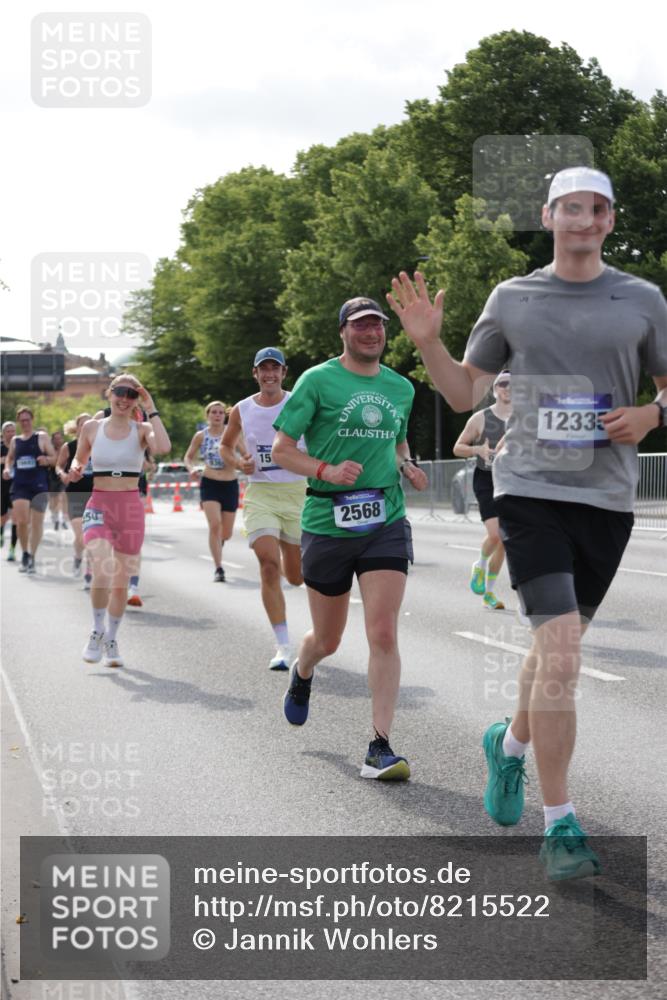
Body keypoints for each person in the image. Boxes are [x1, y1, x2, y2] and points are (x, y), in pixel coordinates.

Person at [387, 166, 667, 878]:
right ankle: (559, 824)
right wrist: (427, 342)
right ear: (547, 216)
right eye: (568, 207)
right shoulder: (511, 298)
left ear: (608, 219)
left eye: (595, 208)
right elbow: (461, 394)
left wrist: (651, 415)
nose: (582, 218)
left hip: (605, 501)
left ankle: (507, 747)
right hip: (528, 492)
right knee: (564, 655)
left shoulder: (642, 299)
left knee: (552, 655)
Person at [272, 296, 428, 780]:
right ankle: (303, 669)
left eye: (377, 325)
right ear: (343, 331)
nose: (371, 333)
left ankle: (379, 746)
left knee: (382, 631)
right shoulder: (317, 381)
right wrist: (327, 469)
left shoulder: (401, 387)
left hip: (385, 516)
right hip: (326, 519)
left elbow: (397, 438)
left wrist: (405, 464)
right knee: (329, 640)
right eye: (360, 325)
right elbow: (281, 449)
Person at [70, 375, 170, 668]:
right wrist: (76, 469)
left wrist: (151, 406)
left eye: (132, 394)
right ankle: (96, 629)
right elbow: (79, 459)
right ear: (109, 394)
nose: (125, 399)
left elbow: (163, 447)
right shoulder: (91, 427)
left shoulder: (143, 429)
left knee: (121, 582)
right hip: (99, 503)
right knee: (102, 567)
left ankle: (111, 638)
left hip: (129, 508)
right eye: (120, 392)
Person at [221, 347, 307, 670]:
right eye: (263, 369)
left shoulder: (299, 401)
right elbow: (226, 446)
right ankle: (283, 646)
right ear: (255, 373)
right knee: (269, 565)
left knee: (296, 577)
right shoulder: (241, 410)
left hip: (297, 493)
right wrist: (238, 462)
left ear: (284, 373)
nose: (270, 374)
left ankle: (294, 562)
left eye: (276, 368)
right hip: (261, 494)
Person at [453, 370, 512, 609]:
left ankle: (488, 593)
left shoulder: (525, 417)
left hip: (513, 481)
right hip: (487, 479)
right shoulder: (481, 418)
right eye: (503, 384)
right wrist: (477, 450)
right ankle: (480, 564)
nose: (508, 388)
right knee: (496, 534)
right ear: (495, 389)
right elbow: (458, 447)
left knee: (505, 541)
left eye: (514, 384)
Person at [184, 402, 240, 582]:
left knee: (227, 533)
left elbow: (247, 453)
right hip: (209, 482)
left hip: (230, 483)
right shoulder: (201, 435)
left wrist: (246, 462)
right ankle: (219, 568)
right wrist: (191, 468)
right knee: (215, 525)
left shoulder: (233, 434)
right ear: (207, 415)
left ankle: (220, 540)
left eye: (220, 413)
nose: (217, 415)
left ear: (225, 416)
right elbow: (188, 456)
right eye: (213, 412)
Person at [2, 407, 56, 573]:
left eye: (27, 419)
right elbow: (10, 458)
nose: (25, 423)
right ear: (19, 422)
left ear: (32, 420)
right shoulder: (15, 441)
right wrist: (7, 468)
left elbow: (55, 459)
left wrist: (46, 459)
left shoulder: (41, 437)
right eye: (22, 420)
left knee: (37, 523)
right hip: (20, 485)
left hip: (39, 485)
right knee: (22, 521)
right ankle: (25, 552)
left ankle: (32, 555)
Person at [55, 414, 94, 582]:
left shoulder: (99, 446)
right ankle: (78, 556)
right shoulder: (69, 447)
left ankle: (89, 571)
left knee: (92, 534)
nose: (85, 427)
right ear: (77, 428)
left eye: (89, 424)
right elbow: (58, 465)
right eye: (82, 425)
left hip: (96, 494)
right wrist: (62, 474)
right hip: (75, 494)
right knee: (80, 534)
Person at [1, 421, 18, 560]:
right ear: (3, 433)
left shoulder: (19, 446)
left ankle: (12, 549)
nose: (11, 433)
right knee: (2, 517)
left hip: (17, 486)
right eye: (8, 431)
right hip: (2, 486)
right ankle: (1, 531)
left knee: (15, 518)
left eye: (13, 431)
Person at [48, 430, 67, 531]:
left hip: (63, 476)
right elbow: (49, 462)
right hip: (52, 476)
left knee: (63, 496)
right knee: (54, 500)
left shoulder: (66, 448)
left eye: (59, 438)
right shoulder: (50, 450)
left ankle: (63, 519)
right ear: (53, 440)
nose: (58, 440)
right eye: (56, 439)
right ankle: (55, 518)